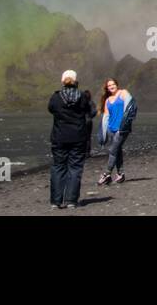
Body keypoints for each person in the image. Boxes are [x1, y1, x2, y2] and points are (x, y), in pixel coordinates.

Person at [48, 69, 96, 209]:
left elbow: (51, 109)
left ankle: (56, 201)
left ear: (62, 81)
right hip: (78, 137)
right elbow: (91, 112)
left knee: (58, 167)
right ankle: (71, 201)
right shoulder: (83, 96)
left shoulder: (55, 97)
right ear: (76, 81)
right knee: (75, 168)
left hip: (59, 136)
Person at [97, 78, 135, 185]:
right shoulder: (108, 100)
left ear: (117, 85)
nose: (111, 86)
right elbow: (106, 117)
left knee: (113, 150)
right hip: (111, 129)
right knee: (117, 150)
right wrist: (104, 133)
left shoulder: (123, 93)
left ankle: (106, 174)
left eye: (113, 84)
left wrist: (125, 124)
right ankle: (120, 174)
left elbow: (130, 108)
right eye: (109, 85)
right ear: (107, 88)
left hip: (122, 129)